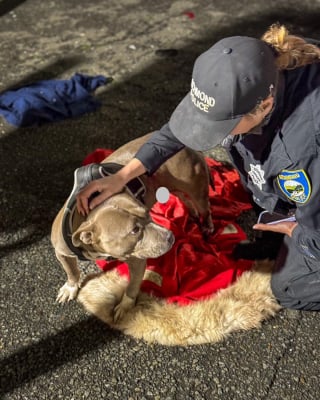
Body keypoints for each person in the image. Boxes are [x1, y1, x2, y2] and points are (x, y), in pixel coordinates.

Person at [76, 24, 320, 311]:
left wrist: (296, 229)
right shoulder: (241, 76)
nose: (208, 132)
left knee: (288, 288)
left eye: (221, 125)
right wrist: (123, 176)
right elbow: (178, 130)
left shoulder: (304, 146)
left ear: (265, 106)